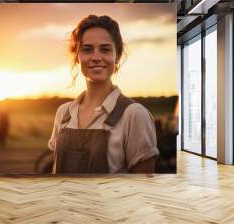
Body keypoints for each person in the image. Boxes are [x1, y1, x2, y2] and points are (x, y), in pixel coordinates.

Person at [48, 15, 159, 174]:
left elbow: (142, 188)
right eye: (87, 49)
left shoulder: (134, 115)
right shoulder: (63, 113)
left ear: (117, 56)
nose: (96, 57)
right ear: (78, 57)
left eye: (105, 49)